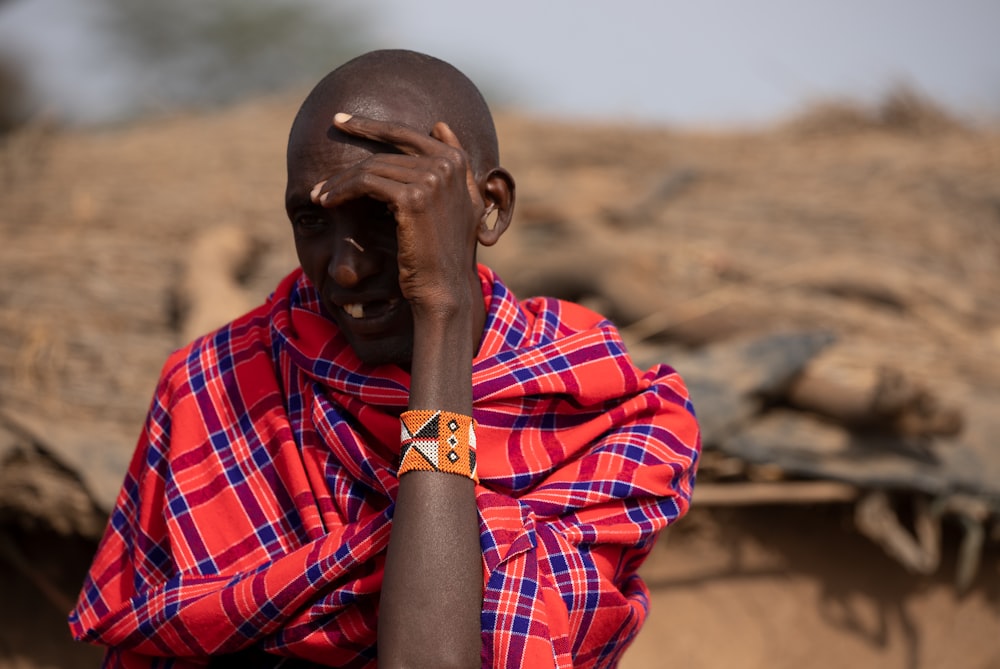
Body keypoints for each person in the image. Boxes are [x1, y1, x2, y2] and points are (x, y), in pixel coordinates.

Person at [69, 49, 700, 668]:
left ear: (490, 208)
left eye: (385, 214)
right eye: (311, 220)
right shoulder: (216, 385)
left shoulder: (600, 411)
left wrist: (443, 317)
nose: (343, 267)